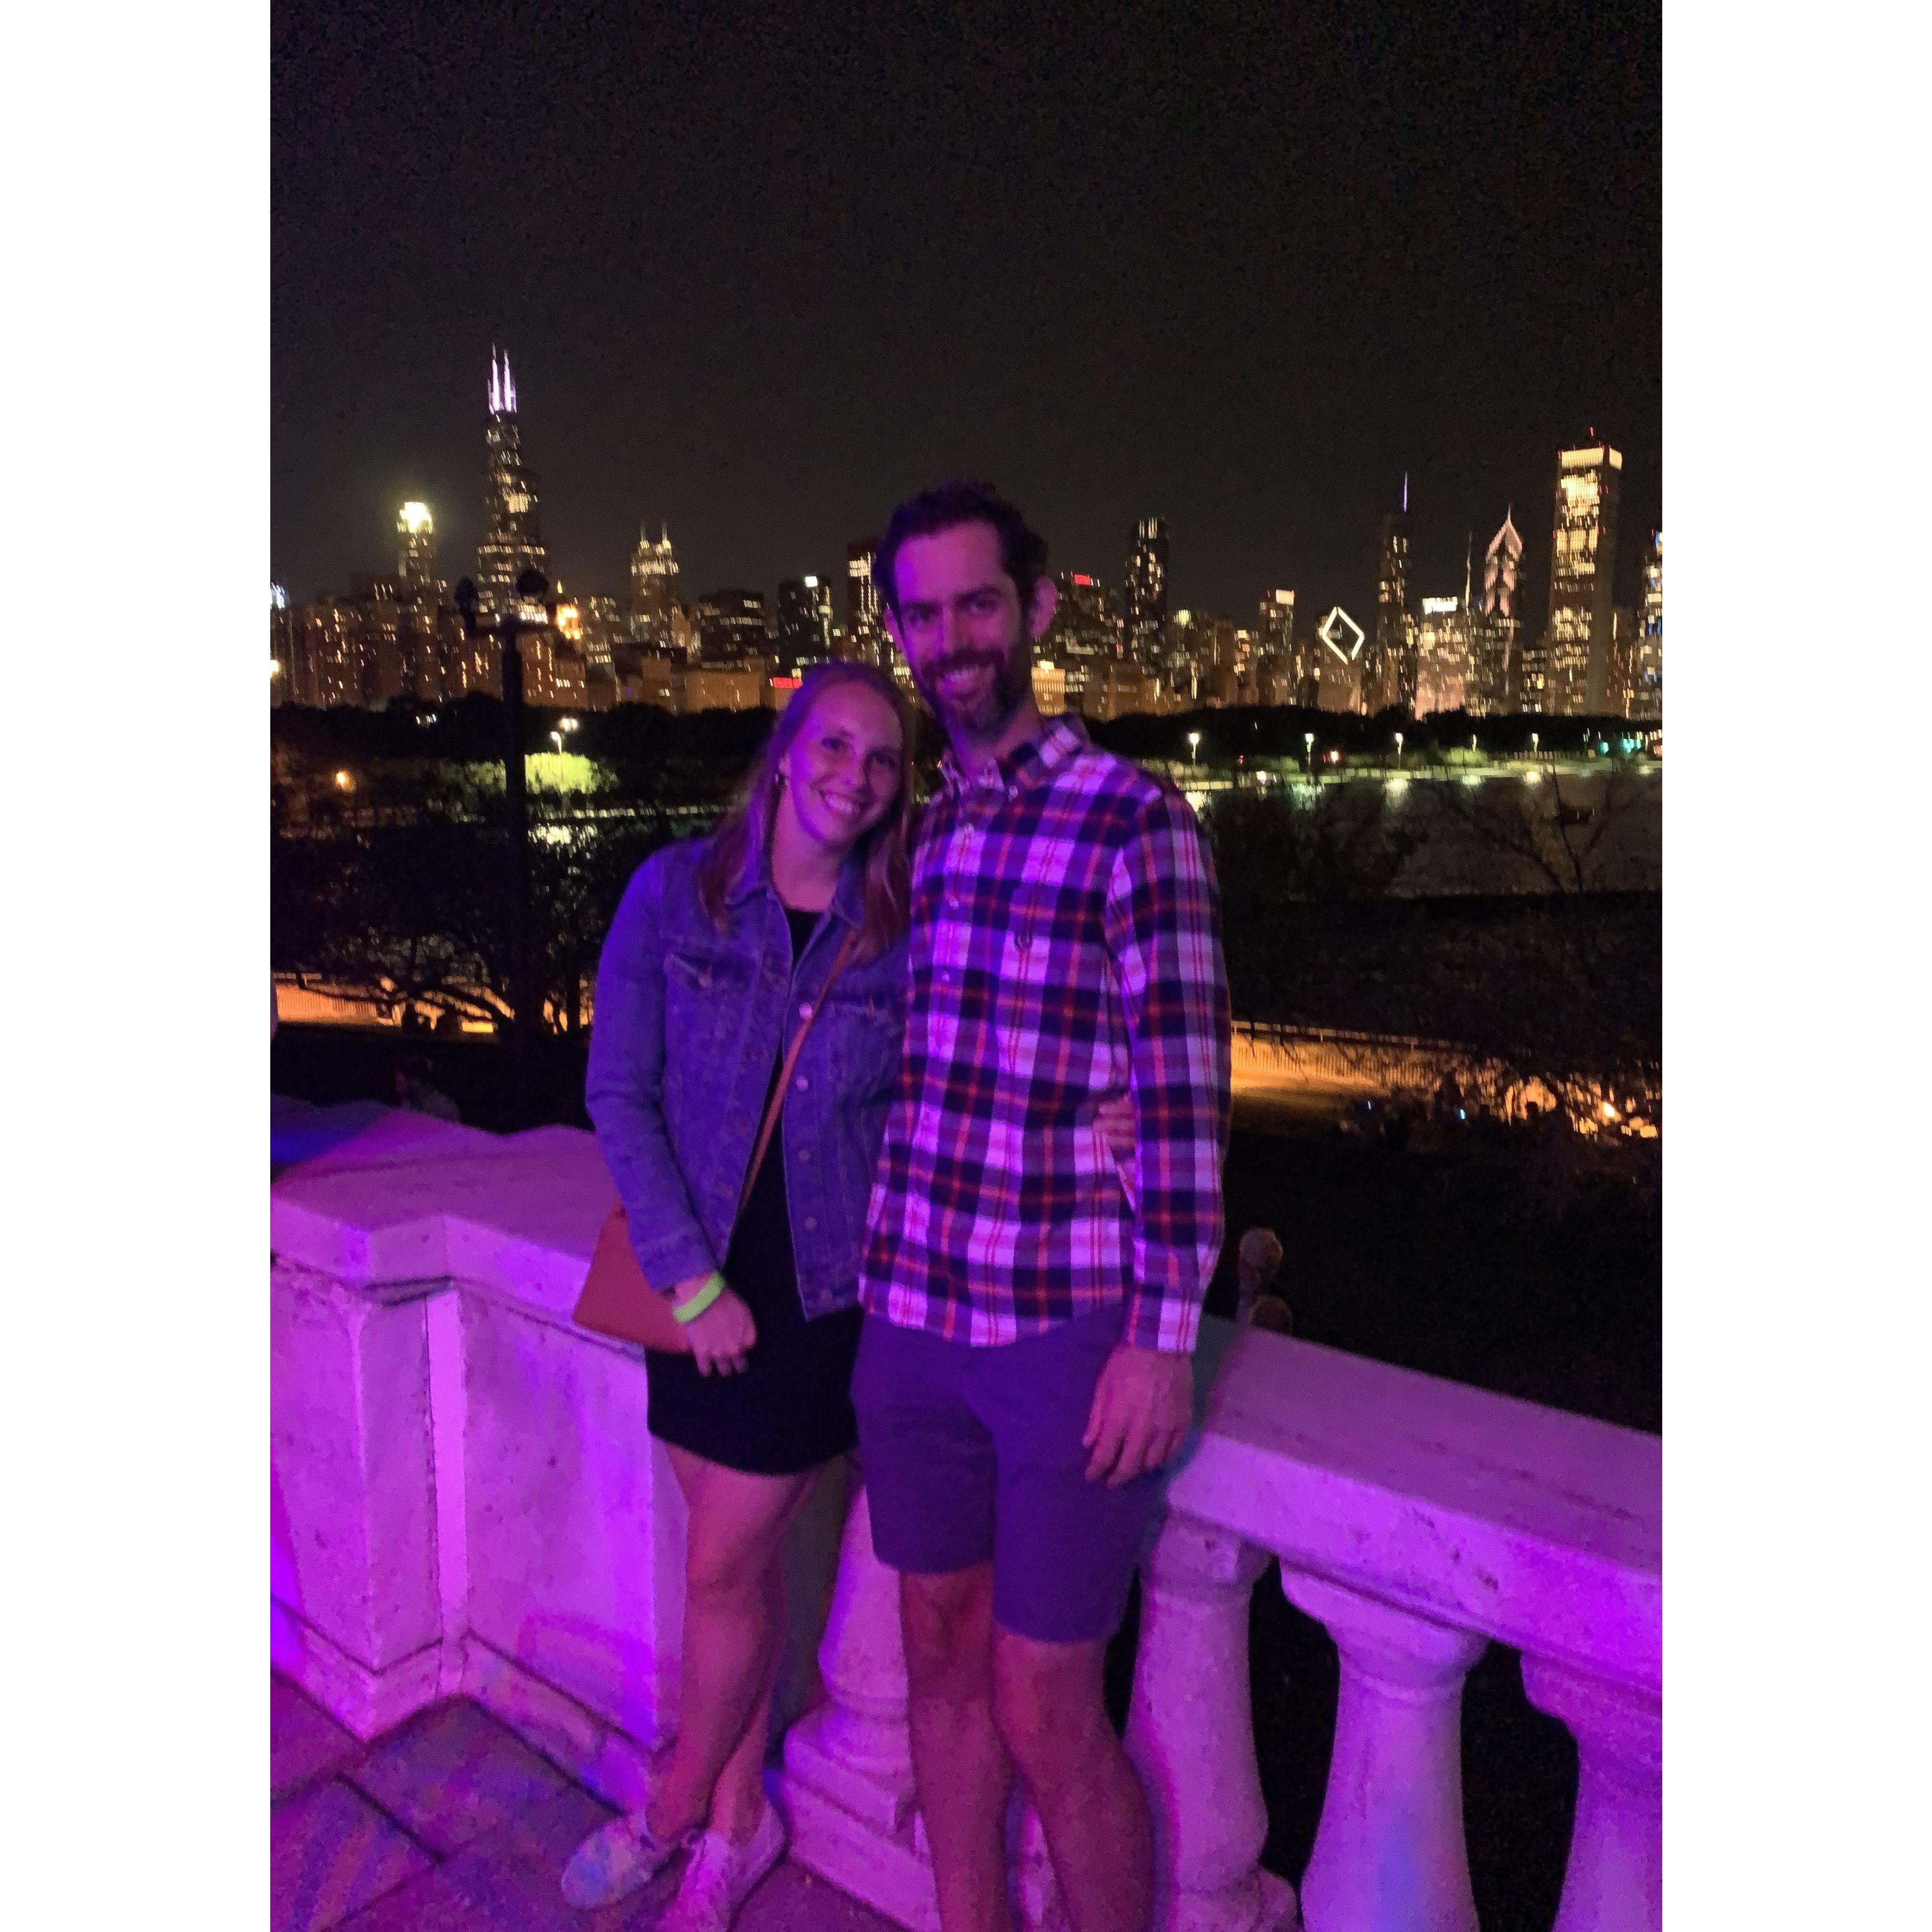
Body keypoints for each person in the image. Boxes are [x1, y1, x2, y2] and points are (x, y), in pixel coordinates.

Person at [851, 482, 1231, 1932]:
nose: (952, 640)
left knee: (1046, 1700)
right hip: (911, 1314)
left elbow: (1185, 1092)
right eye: (924, 614)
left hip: (1065, 1331)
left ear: (1038, 608)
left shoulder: (1136, 823)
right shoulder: (921, 838)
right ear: (899, 629)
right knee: (933, 1652)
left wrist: (1162, 1332)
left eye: (978, 605)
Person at [562, 663, 916, 1928]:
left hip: (818, 1308)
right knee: (743, 1576)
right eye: (834, 745)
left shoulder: (900, 931)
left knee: (718, 1572)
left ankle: (666, 1811)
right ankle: (739, 1821)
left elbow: (952, 1086)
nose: (853, 775)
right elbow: (621, 1092)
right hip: (694, 1288)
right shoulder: (675, 898)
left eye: (881, 760)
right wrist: (691, 1278)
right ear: (784, 750)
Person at [392, 1054, 461, 1123]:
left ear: (414, 1080)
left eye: (401, 1084)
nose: (397, 1089)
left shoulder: (446, 1109)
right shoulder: (407, 1102)